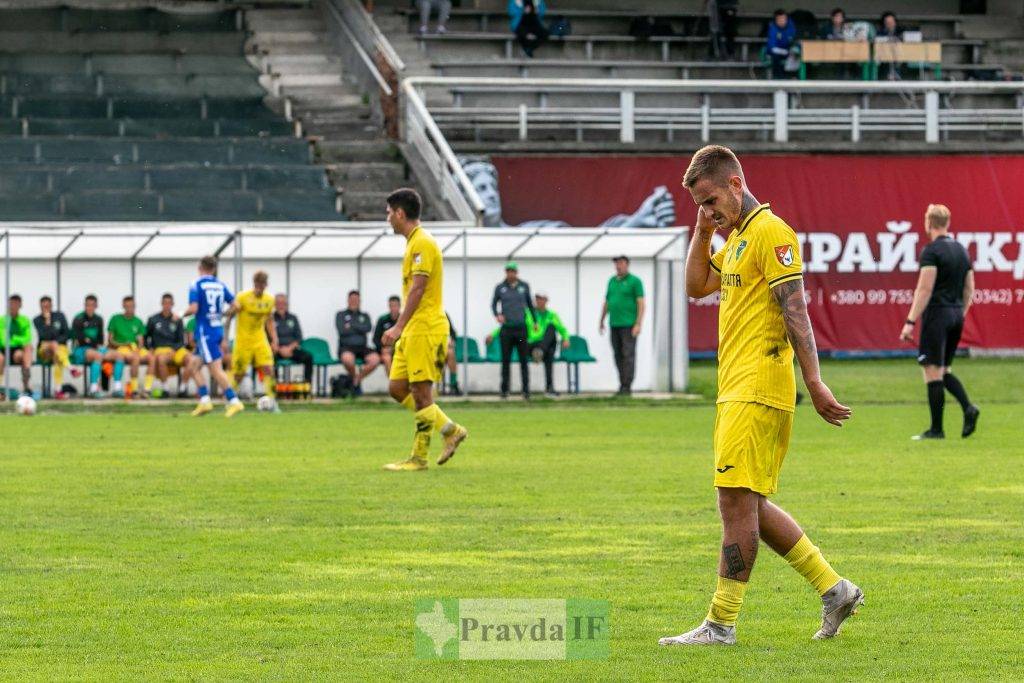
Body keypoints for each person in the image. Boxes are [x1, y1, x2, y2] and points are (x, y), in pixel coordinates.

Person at [660, 144, 858, 647]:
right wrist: (704, 231)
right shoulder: (738, 239)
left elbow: (796, 310)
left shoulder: (771, 232)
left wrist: (814, 381)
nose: (709, 212)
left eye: (711, 201)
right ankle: (834, 589)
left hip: (758, 387)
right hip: (736, 389)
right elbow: (696, 283)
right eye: (700, 206)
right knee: (749, 503)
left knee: (734, 502)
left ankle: (720, 624)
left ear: (735, 182)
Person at [381, 188, 467, 471]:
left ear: (400, 213)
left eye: (389, 212)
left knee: (421, 394)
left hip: (425, 329)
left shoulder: (422, 244)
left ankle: (418, 458)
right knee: (397, 388)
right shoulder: (413, 243)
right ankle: (450, 430)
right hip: (414, 330)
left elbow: (418, 289)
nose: (388, 217)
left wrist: (397, 326)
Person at [899, 204, 979, 440]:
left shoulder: (932, 251)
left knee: (932, 372)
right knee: (944, 370)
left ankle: (936, 430)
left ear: (929, 223)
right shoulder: (962, 250)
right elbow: (969, 289)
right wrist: (959, 313)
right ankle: (968, 408)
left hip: (937, 315)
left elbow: (924, 289)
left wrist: (910, 321)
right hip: (956, 314)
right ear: (947, 222)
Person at [186, 255, 244, 417]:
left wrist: (179, 314)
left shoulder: (196, 284)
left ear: (200, 267)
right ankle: (205, 401)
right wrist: (223, 314)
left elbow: (194, 308)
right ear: (214, 269)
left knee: (216, 370)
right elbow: (237, 305)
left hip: (206, 332)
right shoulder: (220, 285)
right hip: (216, 330)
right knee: (193, 366)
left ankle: (234, 401)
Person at [224, 271, 277, 405]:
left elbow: (269, 320)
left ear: (266, 285)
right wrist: (224, 339)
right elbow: (229, 318)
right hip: (243, 340)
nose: (260, 287)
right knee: (239, 373)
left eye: (262, 285)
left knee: (268, 368)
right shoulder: (243, 297)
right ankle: (229, 400)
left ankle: (272, 401)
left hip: (260, 339)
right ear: (254, 284)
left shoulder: (269, 300)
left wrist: (274, 339)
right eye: (257, 284)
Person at [599, 256, 645, 396]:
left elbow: (641, 303)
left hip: (628, 325)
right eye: (616, 263)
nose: (618, 266)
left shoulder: (635, 281)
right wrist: (601, 320)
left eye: (621, 263)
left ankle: (627, 386)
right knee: (618, 355)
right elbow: (607, 302)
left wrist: (638, 323)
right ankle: (622, 384)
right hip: (614, 323)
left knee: (628, 355)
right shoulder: (612, 281)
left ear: (627, 265)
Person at [491, 261, 536, 399]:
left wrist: (534, 321)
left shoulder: (524, 286)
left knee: (523, 359)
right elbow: (493, 304)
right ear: (506, 272)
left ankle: (526, 390)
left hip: (521, 329)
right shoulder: (500, 287)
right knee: (505, 360)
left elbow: (530, 305)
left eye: (513, 271)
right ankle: (504, 390)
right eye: (508, 271)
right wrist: (497, 315)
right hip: (506, 330)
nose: (511, 273)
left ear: (516, 273)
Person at [145, 293, 192, 398]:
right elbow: (145, 337)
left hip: (176, 349)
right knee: (161, 359)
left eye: (169, 303)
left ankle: (182, 388)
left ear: (172, 304)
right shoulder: (153, 319)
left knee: (190, 359)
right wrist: (149, 348)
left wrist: (174, 349)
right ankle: (165, 389)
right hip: (160, 349)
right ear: (161, 304)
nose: (167, 305)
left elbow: (181, 340)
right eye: (165, 303)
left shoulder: (178, 319)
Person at [336, 290, 381, 396]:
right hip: (346, 347)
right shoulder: (340, 314)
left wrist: (351, 325)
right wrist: (359, 327)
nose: (354, 302)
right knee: (348, 360)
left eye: (356, 300)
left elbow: (368, 328)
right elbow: (342, 330)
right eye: (352, 299)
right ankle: (355, 382)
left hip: (362, 347)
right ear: (348, 300)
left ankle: (356, 380)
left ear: (360, 301)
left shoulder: (364, 315)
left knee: (375, 360)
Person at [107, 295, 149, 398]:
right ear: (123, 306)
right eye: (127, 306)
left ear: (135, 306)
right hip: (121, 348)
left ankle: (147, 389)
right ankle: (134, 390)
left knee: (152, 358)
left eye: (132, 306)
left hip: (134, 347)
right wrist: (124, 344)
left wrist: (138, 349)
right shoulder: (115, 319)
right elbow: (110, 340)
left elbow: (140, 341)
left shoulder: (138, 321)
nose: (130, 308)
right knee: (135, 358)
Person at [71, 294, 112, 398]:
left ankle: (115, 388)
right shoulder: (78, 318)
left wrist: (92, 342)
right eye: (87, 305)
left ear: (96, 306)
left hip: (95, 349)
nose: (90, 307)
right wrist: (90, 342)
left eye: (92, 305)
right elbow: (80, 340)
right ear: (84, 305)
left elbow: (100, 339)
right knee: (98, 356)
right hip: (80, 350)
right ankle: (93, 389)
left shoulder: (99, 319)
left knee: (117, 356)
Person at [34, 296, 74, 399]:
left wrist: (56, 342)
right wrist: (47, 322)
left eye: (48, 306)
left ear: (52, 306)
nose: (46, 308)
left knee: (57, 357)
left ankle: (58, 391)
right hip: (44, 351)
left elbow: (67, 334)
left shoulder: (60, 316)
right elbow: (44, 337)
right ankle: (70, 368)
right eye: (44, 306)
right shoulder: (37, 320)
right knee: (52, 346)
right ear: (40, 306)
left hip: (60, 349)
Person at [273, 294, 313, 384]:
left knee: (308, 357)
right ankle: (274, 387)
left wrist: (289, 348)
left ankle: (306, 386)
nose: (281, 306)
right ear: (274, 305)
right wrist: (279, 349)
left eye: (283, 303)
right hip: (276, 350)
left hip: (291, 349)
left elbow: (299, 337)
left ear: (287, 304)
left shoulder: (293, 318)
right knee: (269, 360)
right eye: (278, 303)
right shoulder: (270, 318)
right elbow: (267, 338)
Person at [0, 294, 34, 397]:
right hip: (3, 351)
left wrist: (13, 338)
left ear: (20, 305)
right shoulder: (2, 320)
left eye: (16, 304)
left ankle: (26, 386)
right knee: (0, 359)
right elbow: (3, 341)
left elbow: (27, 338)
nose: (13, 306)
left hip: (17, 352)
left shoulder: (24, 320)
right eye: (11, 304)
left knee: (28, 348)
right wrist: (18, 339)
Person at [374, 295, 402, 375]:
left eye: (395, 306)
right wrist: (382, 348)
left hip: (400, 349)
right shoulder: (382, 320)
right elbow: (376, 339)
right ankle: (393, 382)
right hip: (386, 350)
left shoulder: (403, 320)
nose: (393, 308)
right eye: (391, 306)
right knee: (386, 357)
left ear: (399, 306)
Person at [766, 9, 796, 80]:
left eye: (784, 19)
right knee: (775, 57)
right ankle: (778, 78)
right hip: (776, 52)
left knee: (797, 54)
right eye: (780, 19)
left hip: (788, 51)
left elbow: (795, 39)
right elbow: (772, 47)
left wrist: (793, 49)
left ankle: (794, 77)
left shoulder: (791, 26)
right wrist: (785, 52)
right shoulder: (773, 29)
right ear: (776, 20)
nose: (782, 21)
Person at [444, 311, 463, 396]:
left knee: (451, 353)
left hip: (444, 349)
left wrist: (452, 341)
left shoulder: (443, 315)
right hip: (429, 349)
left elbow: (453, 333)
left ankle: (453, 384)